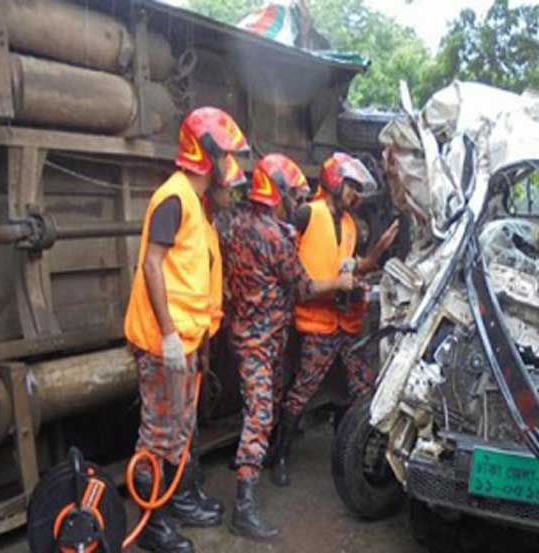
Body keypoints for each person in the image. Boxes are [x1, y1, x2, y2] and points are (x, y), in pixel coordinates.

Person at [123, 107, 248, 553]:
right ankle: (151, 526)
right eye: (226, 155)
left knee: (177, 430)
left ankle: (171, 504)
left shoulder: (194, 203)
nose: (230, 166)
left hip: (184, 340)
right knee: (158, 435)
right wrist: (171, 335)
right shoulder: (174, 198)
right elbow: (152, 265)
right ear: (206, 156)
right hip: (163, 343)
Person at [221, 153, 355, 540]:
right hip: (264, 338)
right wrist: (341, 285)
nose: (297, 202)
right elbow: (305, 287)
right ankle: (243, 508)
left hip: (243, 331)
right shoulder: (277, 236)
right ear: (276, 191)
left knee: (260, 401)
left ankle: (255, 458)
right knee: (262, 414)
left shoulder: (234, 222)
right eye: (293, 195)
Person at [271, 153, 399, 488]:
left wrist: (371, 259)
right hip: (317, 323)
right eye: (352, 188)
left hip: (345, 323)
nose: (356, 196)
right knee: (302, 390)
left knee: (360, 388)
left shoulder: (350, 225)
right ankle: (280, 455)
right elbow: (284, 256)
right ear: (335, 181)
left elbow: (349, 266)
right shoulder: (305, 214)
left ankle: (346, 454)